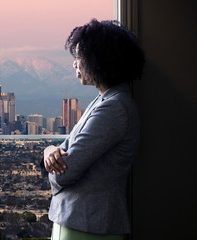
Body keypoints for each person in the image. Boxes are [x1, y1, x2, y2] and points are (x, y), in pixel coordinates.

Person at [41, 19, 145, 240]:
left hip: (88, 224)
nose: (74, 64)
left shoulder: (114, 108)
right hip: (82, 220)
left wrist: (52, 165)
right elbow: (64, 151)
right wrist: (49, 150)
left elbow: (65, 171)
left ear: (99, 61)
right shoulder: (106, 101)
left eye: (79, 57)